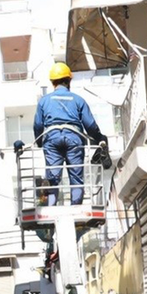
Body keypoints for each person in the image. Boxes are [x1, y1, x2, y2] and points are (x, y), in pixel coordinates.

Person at [31, 62, 106, 206]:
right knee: (76, 178)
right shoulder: (78, 100)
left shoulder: (44, 101)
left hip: (51, 139)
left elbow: (38, 125)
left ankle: (50, 208)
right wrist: (99, 138)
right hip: (74, 139)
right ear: (68, 80)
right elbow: (90, 125)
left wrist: (40, 142)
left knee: (52, 179)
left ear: (53, 82)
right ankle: (76, 208)